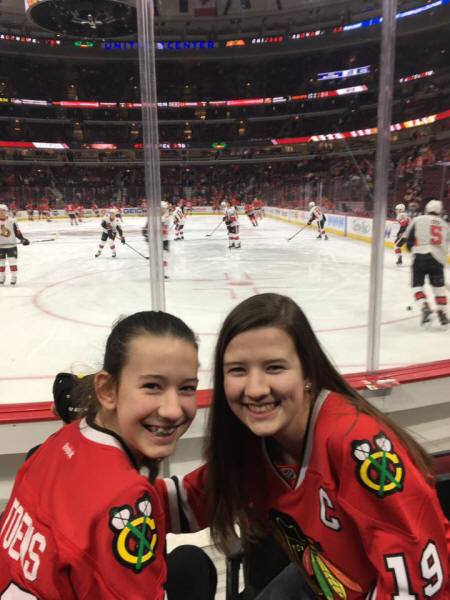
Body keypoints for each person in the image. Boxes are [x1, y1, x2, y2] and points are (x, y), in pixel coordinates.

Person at [168, 293, 449, 599]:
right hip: (326, 579)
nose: (256, 389)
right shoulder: (255, 443)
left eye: (274, 367)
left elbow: (420, 588)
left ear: (308, 374)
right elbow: (189, 500)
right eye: (237, 370)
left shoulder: (360, 448)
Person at [0, 310, 217, 599]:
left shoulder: (63, 441)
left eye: (187, 387)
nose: (173, 409)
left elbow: (121, 507)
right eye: (152, 386)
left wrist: (233, 474)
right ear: (106, 390)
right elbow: (118, 508)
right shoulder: (121, 498)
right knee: (192, 566)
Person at [405, 199, 449, 327]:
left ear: (427, 209)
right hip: (437, 259)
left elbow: (409, 241)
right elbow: (447, 242)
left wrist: (413, 251)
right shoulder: (445, 224)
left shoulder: (418, 219)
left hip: (420, 256)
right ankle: (442, 314)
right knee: (439, 288)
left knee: (417, 286)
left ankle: (424, 306)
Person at [0, 203, 30, 285]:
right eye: (0, 211)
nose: (1, 212)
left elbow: (17, 232)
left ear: (6, 211)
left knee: (12, 262)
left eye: (3, 210)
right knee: (1, 264)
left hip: (11, 246)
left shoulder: (12, 221)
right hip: (0, 246)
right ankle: (1, 277)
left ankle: (14, 277)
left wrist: (23, 239)